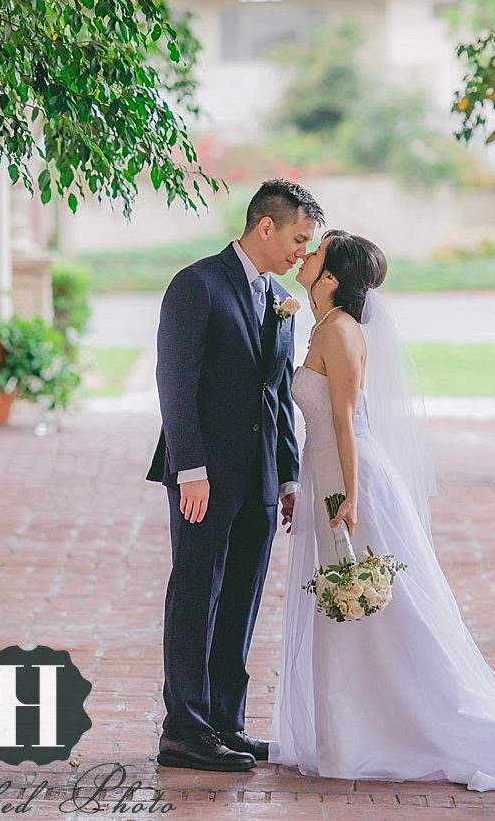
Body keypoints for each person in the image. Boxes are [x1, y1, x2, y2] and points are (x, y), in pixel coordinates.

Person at [271, 230, 495, 790]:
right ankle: (347, 734)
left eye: (315, 253)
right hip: (324, 470)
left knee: (376, 600)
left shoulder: (341, 332)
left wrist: (348, 494)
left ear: (330, 278)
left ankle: (394, 729)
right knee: (343, 602)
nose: (304, 256)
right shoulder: (320, 326)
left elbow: (346, 421)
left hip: (351, 476)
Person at [148, 179, 323, 772]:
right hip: (204, 478)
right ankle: (185, 730)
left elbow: (274, 396)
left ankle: (226, 722)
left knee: (243, 598)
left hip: (262, 481)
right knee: (197, 592)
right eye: (299, 238)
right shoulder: (195, 286)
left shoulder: (277, 299)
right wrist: (189, 469)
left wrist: (291, 478)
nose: (303, 251)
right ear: (266, 227)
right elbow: (175, 386)